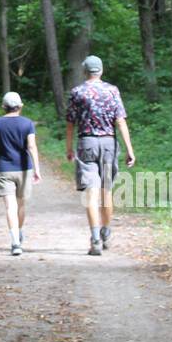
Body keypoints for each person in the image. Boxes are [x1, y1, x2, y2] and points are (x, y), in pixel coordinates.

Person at [64, 55, 135, 256]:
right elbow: (120, 121)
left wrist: (69, 148)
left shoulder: (77, 92)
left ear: (85, 72)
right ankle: (106, 232)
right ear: (101, 71)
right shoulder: (112, 91)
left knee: (91, 193)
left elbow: (70, 124)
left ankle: (95, 239)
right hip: (108, 143)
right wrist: (130, 149)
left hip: (86, 142)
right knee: (107, 191)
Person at [0, 91, 41, 256]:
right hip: (24, 168)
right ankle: (19, 232)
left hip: (4, 169)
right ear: (20, 106)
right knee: (20, 205)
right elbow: (32, 147)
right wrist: (37, 168)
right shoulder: (27, 123)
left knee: (10, 206)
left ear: (3, 107)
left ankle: (15, 242)